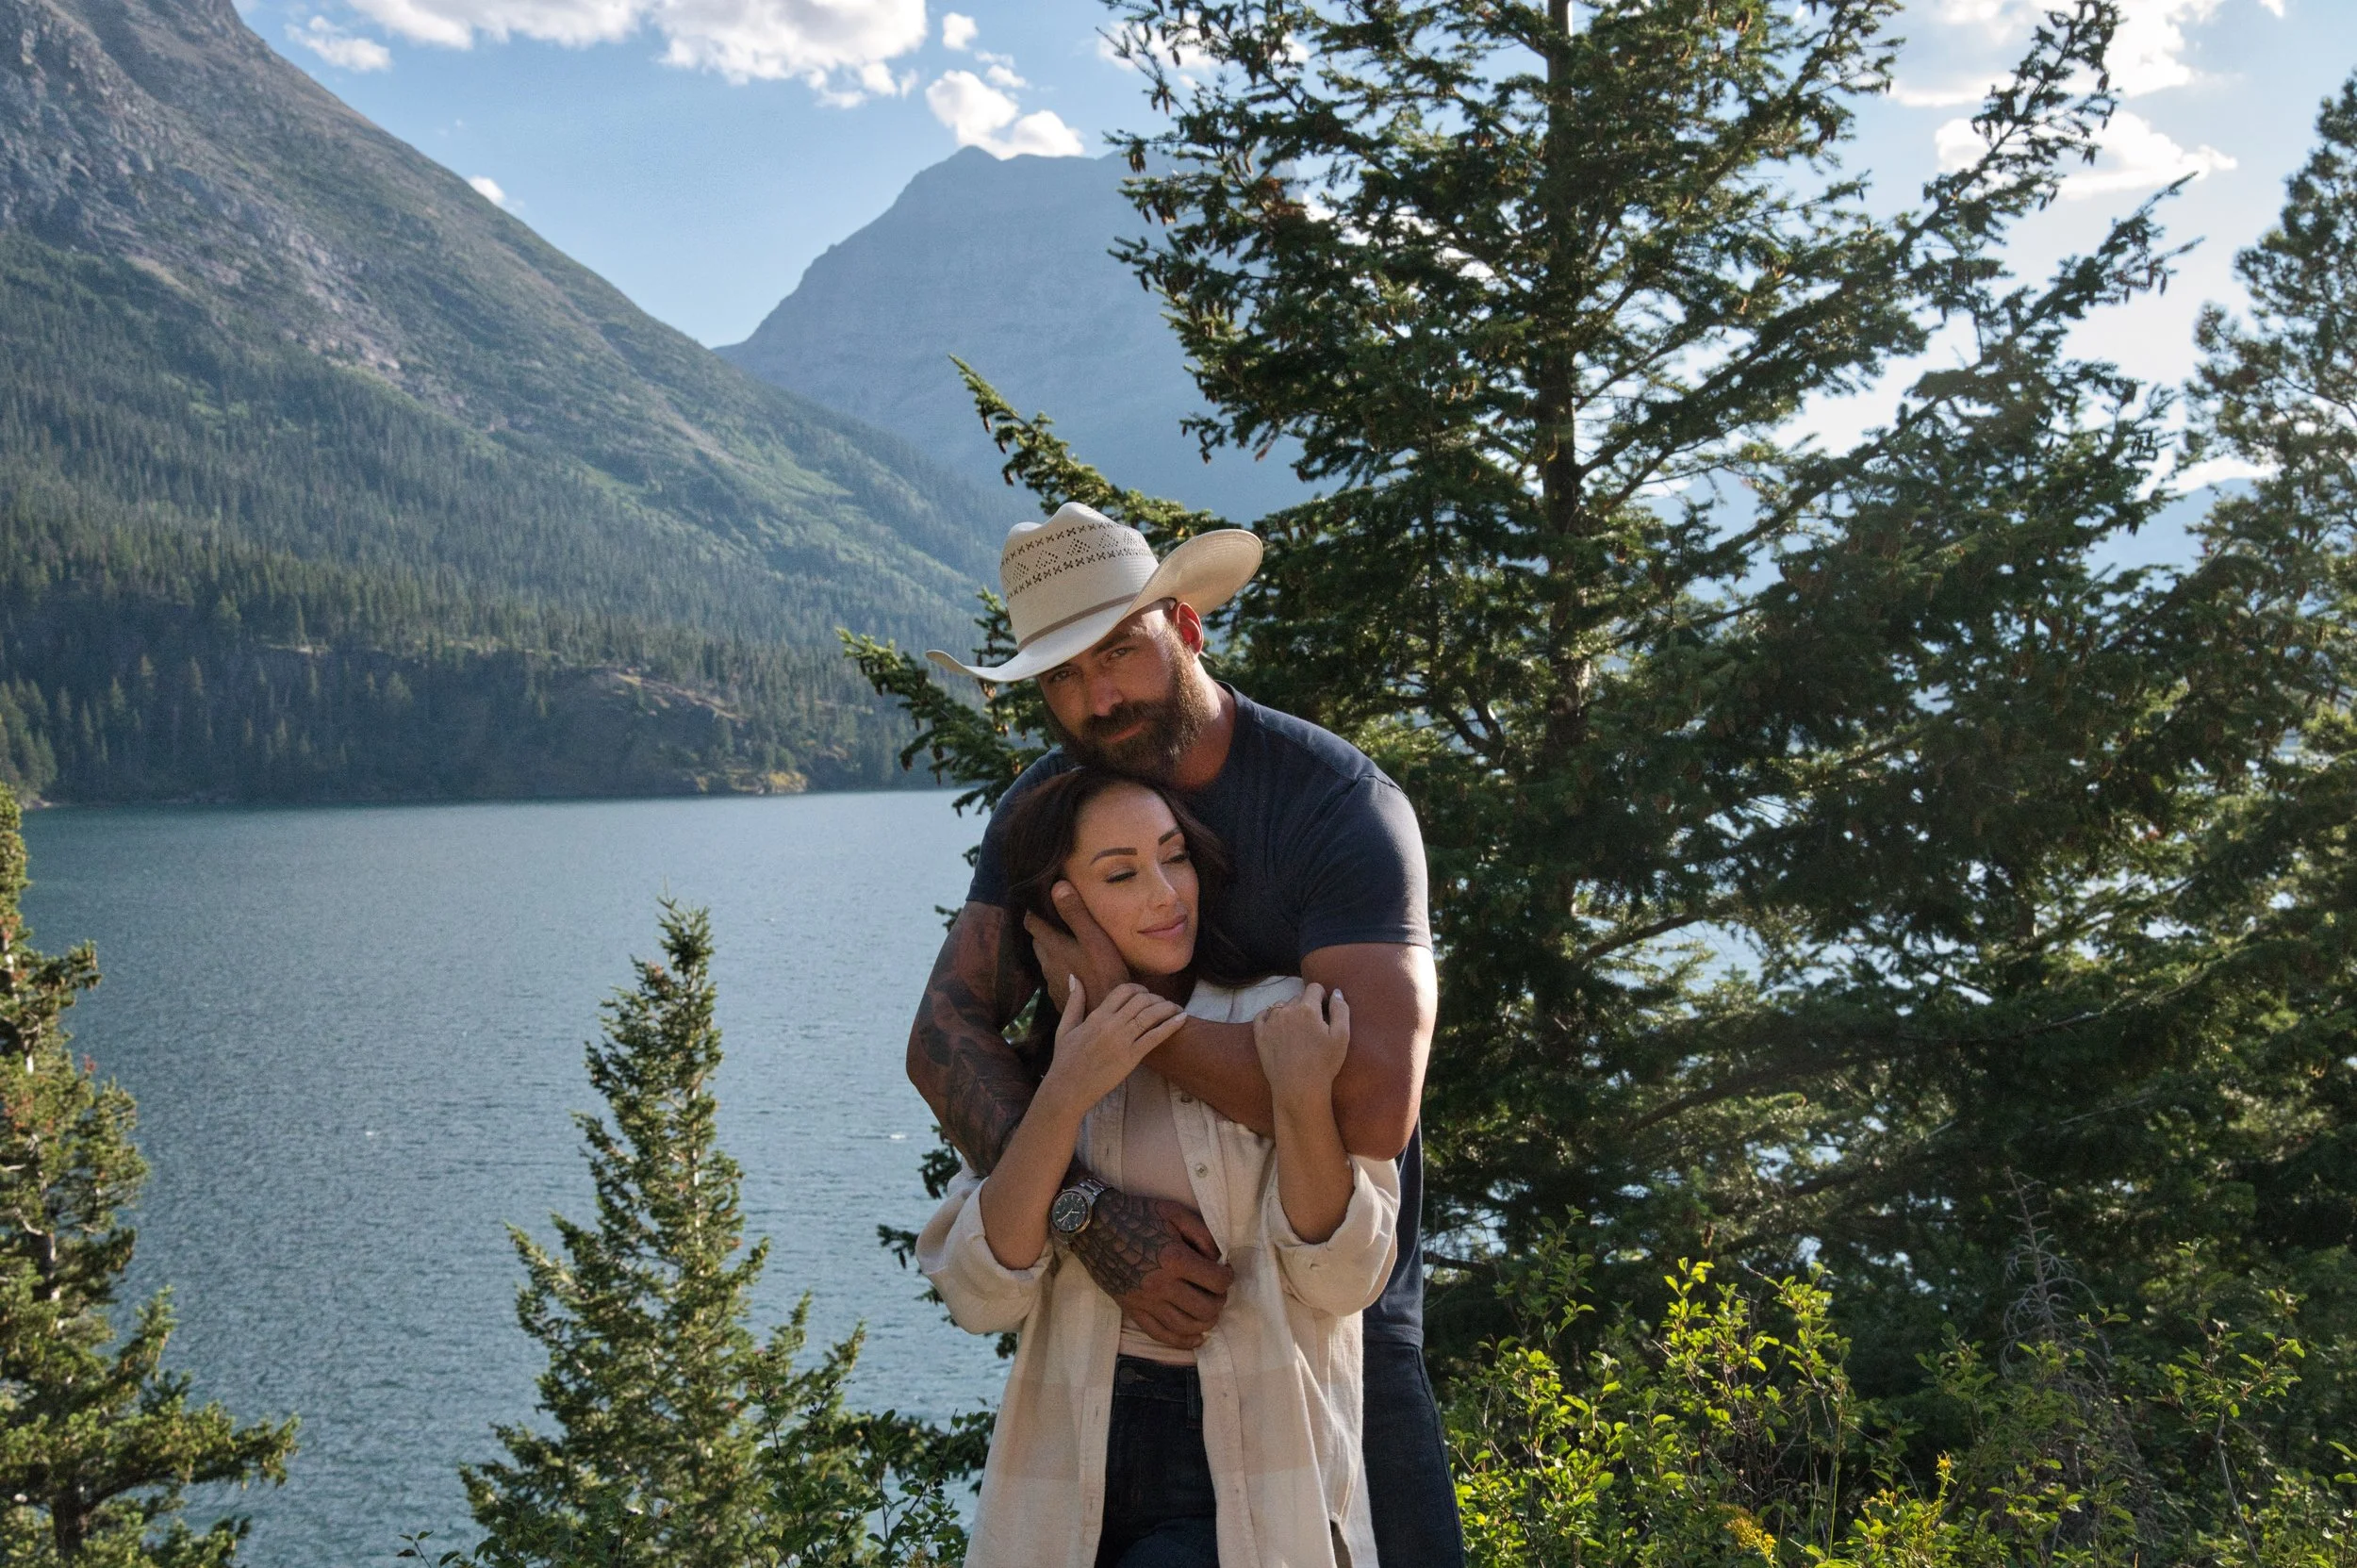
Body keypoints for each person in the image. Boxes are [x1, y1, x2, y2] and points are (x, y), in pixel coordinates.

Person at [906, 502, 1465, 1566]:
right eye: (1063, 675)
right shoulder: (1052, 812)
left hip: (1331, 1299)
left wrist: (1132, 1015)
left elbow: (1369, 1110)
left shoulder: (1333, 805)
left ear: (1186, 628)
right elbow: (941, 1035)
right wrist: (1086, 1212)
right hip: (1114, 1353)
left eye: (1118, 652)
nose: (1096, 697)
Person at [918, 767, 1398, 1567]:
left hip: (1248, 1469)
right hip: (1073, 1470)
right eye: (1121, 873)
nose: (1166, 894)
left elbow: (1344, 1279)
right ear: (1061, 905)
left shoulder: (1277, 1019)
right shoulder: (1047, 1059)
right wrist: (1066, 1091)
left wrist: (1302, 1096)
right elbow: (981, 1293)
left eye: (1174, 858)